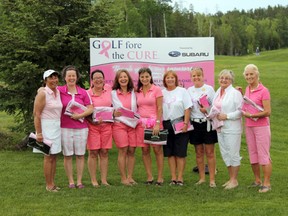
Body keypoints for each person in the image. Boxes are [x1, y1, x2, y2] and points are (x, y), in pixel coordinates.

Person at [58, 65, 93, 189]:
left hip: (81, 127)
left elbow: (90, 108)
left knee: (80, 154)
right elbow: (45, 91)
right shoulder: (59, 90)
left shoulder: (83, 92)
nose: (71, 78)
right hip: (65, 127)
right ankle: (71, 181)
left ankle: (79, 181)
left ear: (77, 77)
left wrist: (80, 116)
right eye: (69, 76)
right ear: (65, 77)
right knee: (67, 155)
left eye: (73, 75)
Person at [242, 64, 272, 193]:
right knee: (253, 154)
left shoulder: (264, 90)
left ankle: (267, 183)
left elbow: (268, 112)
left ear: (257, 74)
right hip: (249, 126)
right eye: (247, 74)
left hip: (261, 127)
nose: (249, 77)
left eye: (251, 74)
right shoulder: (247, 89)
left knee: (263, 155)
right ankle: (257, 180)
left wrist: (251, 115)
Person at [212, 69, 243, 190]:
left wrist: (227, 116)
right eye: (221, 78)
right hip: (220, 127)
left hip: (232, 128)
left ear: (231, 81)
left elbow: (240, 111)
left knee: (233, 153)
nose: (223, 80)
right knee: (225, 153)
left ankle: (234, 180)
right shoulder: (218, 91)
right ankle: (230, 178)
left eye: (227, 78)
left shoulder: (235, 93)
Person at [187, 67, 218, 188]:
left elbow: (215, 107)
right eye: (194, 75)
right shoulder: (189, 90)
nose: (196, 77)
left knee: (210, 152)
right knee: (199, 152)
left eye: (198, 75)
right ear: (191, 77)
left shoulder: (209, 89)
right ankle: (201, 178)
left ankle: (212, 180)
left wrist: (207, 109)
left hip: (207, 123)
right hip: (195, 124)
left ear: (203, 75)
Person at [33, 69, 62, 192]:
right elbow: (36, 114)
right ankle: (49, 185)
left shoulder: (58, 92)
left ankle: (52, 183)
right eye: (51, 78)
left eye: (55, 77)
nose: (54, 80)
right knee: (48, 156)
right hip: (46, 127)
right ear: (45, 80)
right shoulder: (43, 93)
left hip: (56, 126)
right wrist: (39, 133)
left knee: (54, 156)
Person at [162, 70, 192, 186]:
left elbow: (187, 108)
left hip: (180, 123)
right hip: (166, 124)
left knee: (180, 152)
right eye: (167, 78)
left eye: (172, 77)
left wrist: (185, 123)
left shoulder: (182, 91)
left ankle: (180, 178)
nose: (170, 79)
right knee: (170, 153)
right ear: (164, 80)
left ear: (176, 79)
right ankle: (173, 178)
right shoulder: (162, 92)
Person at [136, 67, 164, 186]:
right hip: (141, 124)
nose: (144, 79)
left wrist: (157, 123)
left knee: (157, 150)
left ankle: (160, 177)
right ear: (139, 78)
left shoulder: (157, 89)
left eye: (147, 76)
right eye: (142, 77)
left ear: (151, 77)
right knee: (145, 150)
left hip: (155, 124)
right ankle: (149, 176)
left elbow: (159, 108)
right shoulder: (137, 90)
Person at [86, 69, 113, 187]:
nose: (98, 80)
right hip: (93, 126)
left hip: (107, 126)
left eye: (100, 77)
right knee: (93, 152)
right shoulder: (87, 93)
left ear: (104, 79)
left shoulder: (109, 90)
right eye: (95, 78)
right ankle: (93, 180)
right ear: (92, 80)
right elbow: (85, 111)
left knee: (104, 152)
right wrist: (92, 121)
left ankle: (104, 180)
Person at [111, 69, 138, 185]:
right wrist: (112, 113)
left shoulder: (134, 92)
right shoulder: (112, 93)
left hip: (133, 125)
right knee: (123, 150)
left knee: (132, 151)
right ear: (117, 80)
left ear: (128, 79)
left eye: (125, 77)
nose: (123, 79)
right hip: (119, 125)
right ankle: (123, 178)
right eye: (120, 77)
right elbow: (105, 107)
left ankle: (130, 177)